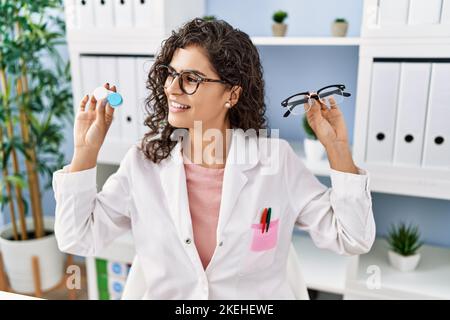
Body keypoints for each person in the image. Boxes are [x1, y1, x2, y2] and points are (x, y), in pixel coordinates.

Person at [52, 18, 375, 299]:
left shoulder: (274, 161)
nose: (173, 89)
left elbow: (352, 238)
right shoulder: (144, 163)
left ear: (232, 94)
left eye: (191, 79)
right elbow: (77, 237)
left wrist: (338, 150)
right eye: (170, 74)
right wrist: (85, 151)